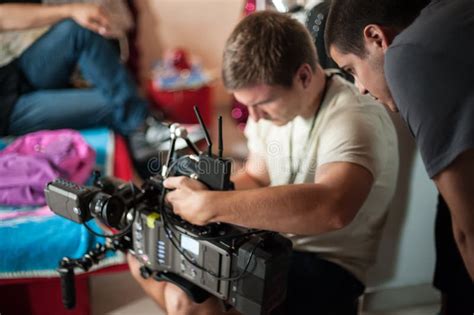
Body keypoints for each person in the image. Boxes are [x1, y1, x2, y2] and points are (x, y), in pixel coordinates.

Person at [128, 11, 399, 314]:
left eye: (260, 104)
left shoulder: (354, 116)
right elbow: (257, 177)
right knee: (142, 252)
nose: (253, 118)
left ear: (304, 77)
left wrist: (212, 205)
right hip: (270, 240)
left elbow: (332, 207)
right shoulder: (271, 108)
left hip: (326, 264)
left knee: (189, 301)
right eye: (247, 106)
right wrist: (201, 193)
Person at [325, 0, 474, 313]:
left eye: (351, 69)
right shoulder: (450, 17)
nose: (360, 88)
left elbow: (469, 229)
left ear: (377, 38)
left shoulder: (407, 55)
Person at [0, 1, 168, 142]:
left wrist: (71, 10)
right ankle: (141, 131)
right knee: (114, 105)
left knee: (78, 28)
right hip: (8, 111)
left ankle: (142, 123)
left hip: (13, 75)